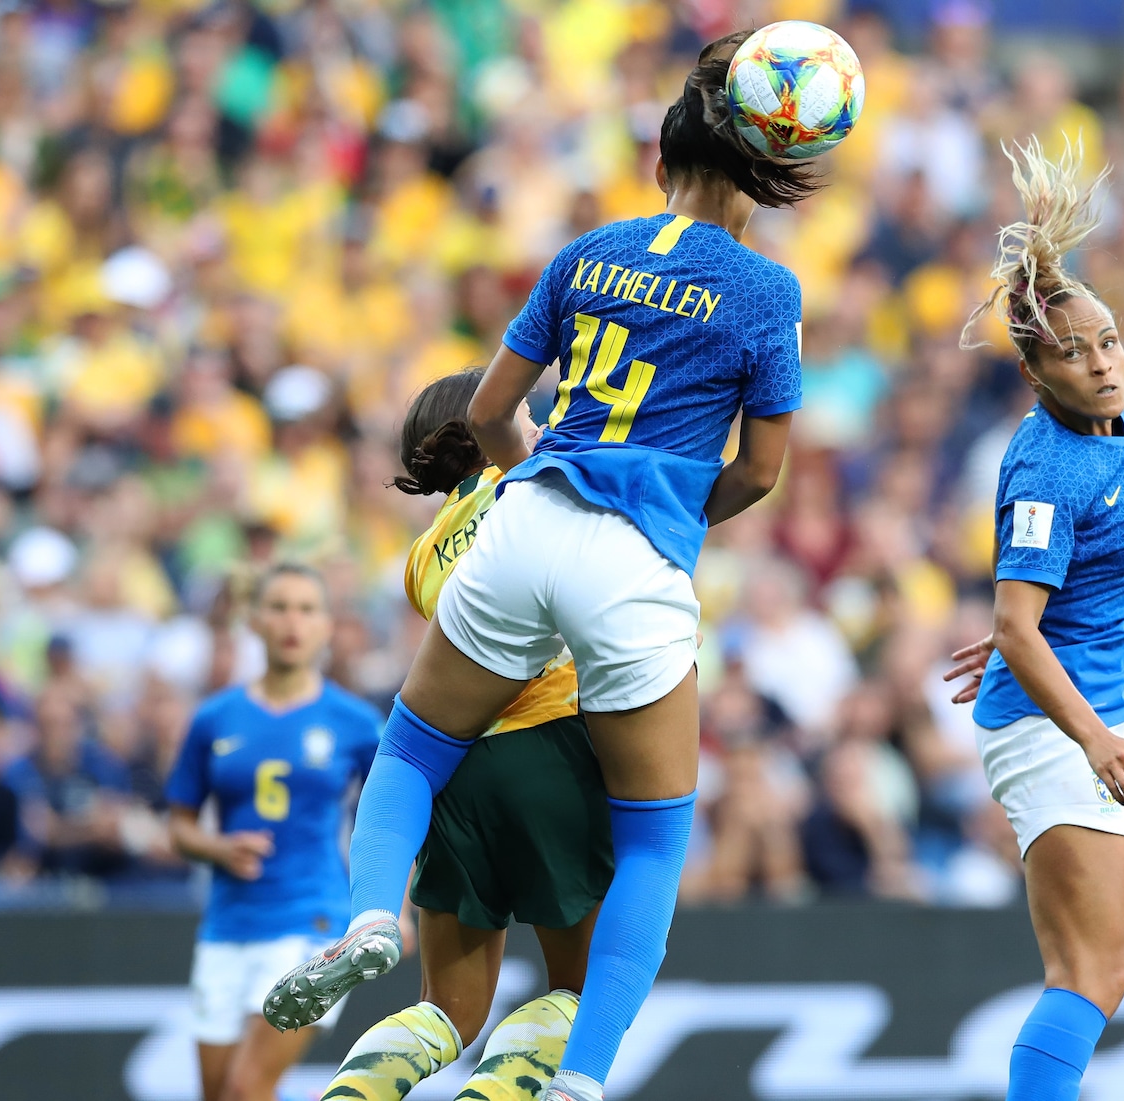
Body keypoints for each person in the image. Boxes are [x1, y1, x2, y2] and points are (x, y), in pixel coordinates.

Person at [263, 31, 814, 1101]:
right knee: (653, 845)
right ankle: (581, 1080)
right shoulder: (764, 293)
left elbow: (485, 410)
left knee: (410, 752)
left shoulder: (584, 252)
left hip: (524, 518)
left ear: (659, 167)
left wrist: (545, 483)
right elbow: (759, 473)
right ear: (757, 179)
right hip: (633, 561)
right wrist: (665, 508)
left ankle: (370, 914)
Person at [944, 141, 1124, 1101]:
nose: (1103, 364)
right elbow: (1020, 623)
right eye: (1074, 353)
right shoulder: (1049, 467)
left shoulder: (1117, 421)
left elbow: (1037, 612)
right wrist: (1064, 697)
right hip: (1060, 735)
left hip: (1091, 713)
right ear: (1035, 373)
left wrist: (1029, 634)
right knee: (1092, 973)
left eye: (1108, 341)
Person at [316, 369, 614, 1101]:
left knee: (445, 1011)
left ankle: (351, 1093)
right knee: (586, 991)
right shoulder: (541, 480)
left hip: (449, 772)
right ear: (494, 422)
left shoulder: (419, 559)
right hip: (553, 747)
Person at [163, 564, 382, 1101]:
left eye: (307, 609)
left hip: (311, 919)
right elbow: (179, 825)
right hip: (227, 924)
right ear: (254, 620)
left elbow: (393, 816)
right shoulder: (214, 718)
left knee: (247, 1087)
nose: (293, 622)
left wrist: (392, 903)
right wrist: (216, 847)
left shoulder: (353, 721)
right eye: (279, 607)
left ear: (328, 625)